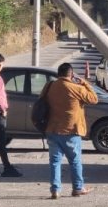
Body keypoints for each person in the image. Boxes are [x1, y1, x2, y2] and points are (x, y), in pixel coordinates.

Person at [42, 62, 98, 199]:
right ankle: (77, 188)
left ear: (58, 74)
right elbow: (94, 99)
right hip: (71, 130)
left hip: (52, 128)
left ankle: (55, 190)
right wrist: (84, 82)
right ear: (71, 74)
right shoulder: (76, 88)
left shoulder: (49, 86)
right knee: (75, 161)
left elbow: (42, 101)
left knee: (55, 161)